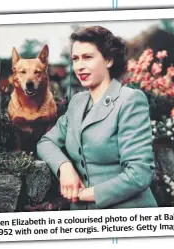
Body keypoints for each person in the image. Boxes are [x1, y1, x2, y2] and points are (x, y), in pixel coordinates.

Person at [36, 25, 158, 210]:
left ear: (109, 60)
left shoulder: (129, 100)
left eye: (88, 57)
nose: (79, 66)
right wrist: (65, 168)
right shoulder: (78, 102)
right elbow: (46, 142)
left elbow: (139, 174)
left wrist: (84, 194)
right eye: (75, 59)